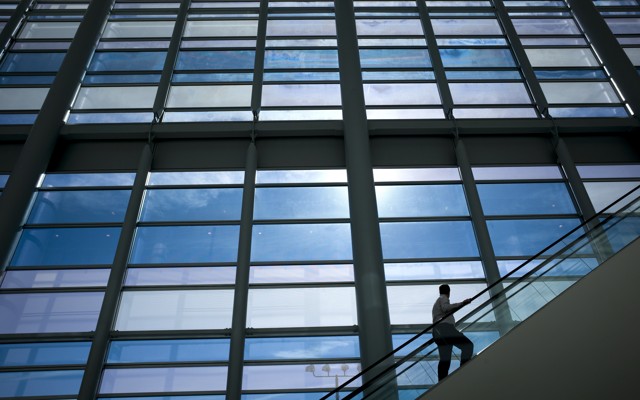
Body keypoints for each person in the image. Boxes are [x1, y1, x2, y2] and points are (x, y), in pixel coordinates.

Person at [431, 284, 474, 382]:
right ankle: (463, 371)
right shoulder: (443, 298)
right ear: (449, 292)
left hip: (438, 332)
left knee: (445, 360)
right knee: (468, 345)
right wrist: (462, 303)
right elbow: (446, 308)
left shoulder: (437, 302)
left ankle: (441, 383)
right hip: (445, 329)